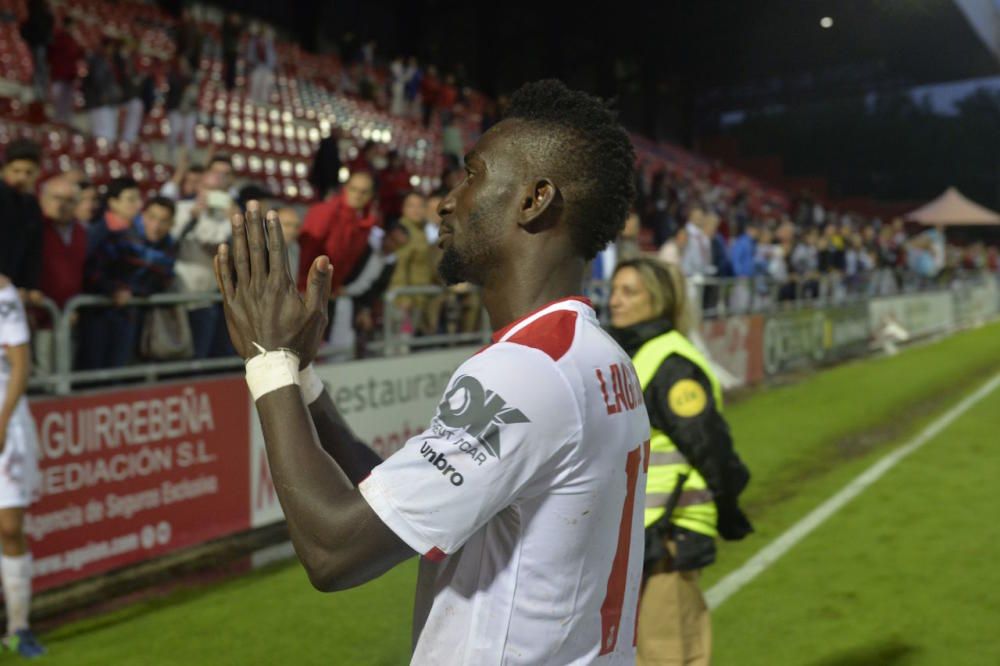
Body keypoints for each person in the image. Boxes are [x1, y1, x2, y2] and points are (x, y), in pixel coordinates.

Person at [212, 79, 650, 664]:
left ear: (534, 199)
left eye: (473, 174)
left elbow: (334, 550)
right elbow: (402, 504)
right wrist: (303, 380)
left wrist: (267, 361)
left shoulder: (526, 371)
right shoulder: (594, 354)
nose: (449, 200)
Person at [606, 257, 752, 666]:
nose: (615, 301)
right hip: (635, 533)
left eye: (629, 291)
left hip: (669, 532)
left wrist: (727, 509)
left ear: (660, 299)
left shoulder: (671, 363)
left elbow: (712, 448)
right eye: (614, 290)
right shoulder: (631, 356)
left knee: (670, 654)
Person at [0, 275, 45, 658]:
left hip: (6, 419)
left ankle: (19, 627)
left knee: (9, 527)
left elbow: (20, 364)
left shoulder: (3, 294)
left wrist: (1, 421)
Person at [297, 171, 379, 295]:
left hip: (331, 290)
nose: (357, 195)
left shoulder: (366, 222)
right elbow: (307, 252)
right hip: (308, 288)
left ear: (371, 195)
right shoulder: (324, 212)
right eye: (353, 189)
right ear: (345, 188)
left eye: (364, 192)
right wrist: (304, 286)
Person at [0, 140, 44, 296]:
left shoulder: (32, 206)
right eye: (16, 171)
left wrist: (30, 287)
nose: (21, 177)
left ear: (38, 172)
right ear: (5, 170)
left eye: (28, 172)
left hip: (11, 292)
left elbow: (32, 252)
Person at [47, 16, 82, 126]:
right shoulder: (59, 37)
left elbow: (79, 54)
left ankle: (64, 124)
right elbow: (50, 55)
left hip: (69, 77)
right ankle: (57, 123)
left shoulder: (72, 39)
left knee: (67, 104)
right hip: (59, 75)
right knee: (57, 103)